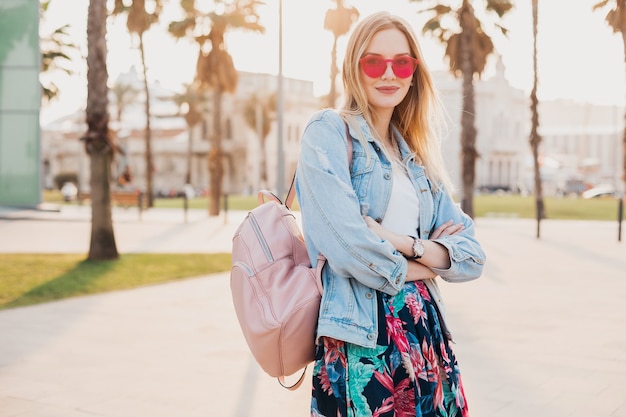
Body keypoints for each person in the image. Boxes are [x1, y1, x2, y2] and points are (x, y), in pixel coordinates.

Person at [294, 11, 486, 417]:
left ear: (414, 72)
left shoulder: (416, 156)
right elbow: (349, 248)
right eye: (373, 62)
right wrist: (428, 263)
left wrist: (402, 242)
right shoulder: (328, 132)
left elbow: (471, 256)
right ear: (354, 68)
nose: (389, 74)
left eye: (401, 63)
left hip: (425, 335)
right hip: (363, 334)